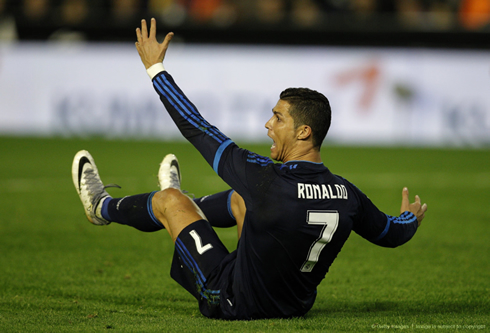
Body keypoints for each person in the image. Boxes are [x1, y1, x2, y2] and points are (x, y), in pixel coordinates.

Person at [72, 18, 427, 320]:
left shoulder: (266, 179)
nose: (268, 125)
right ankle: (191, 204)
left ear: (303, 132)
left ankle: (100, 207)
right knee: (243, 200)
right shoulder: (347, 194)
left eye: (278, 118)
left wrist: (155, 69)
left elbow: (196, 126)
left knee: (168, 201)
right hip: (293, 305)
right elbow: (391, 234)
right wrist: (410, 218)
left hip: (231, 300)